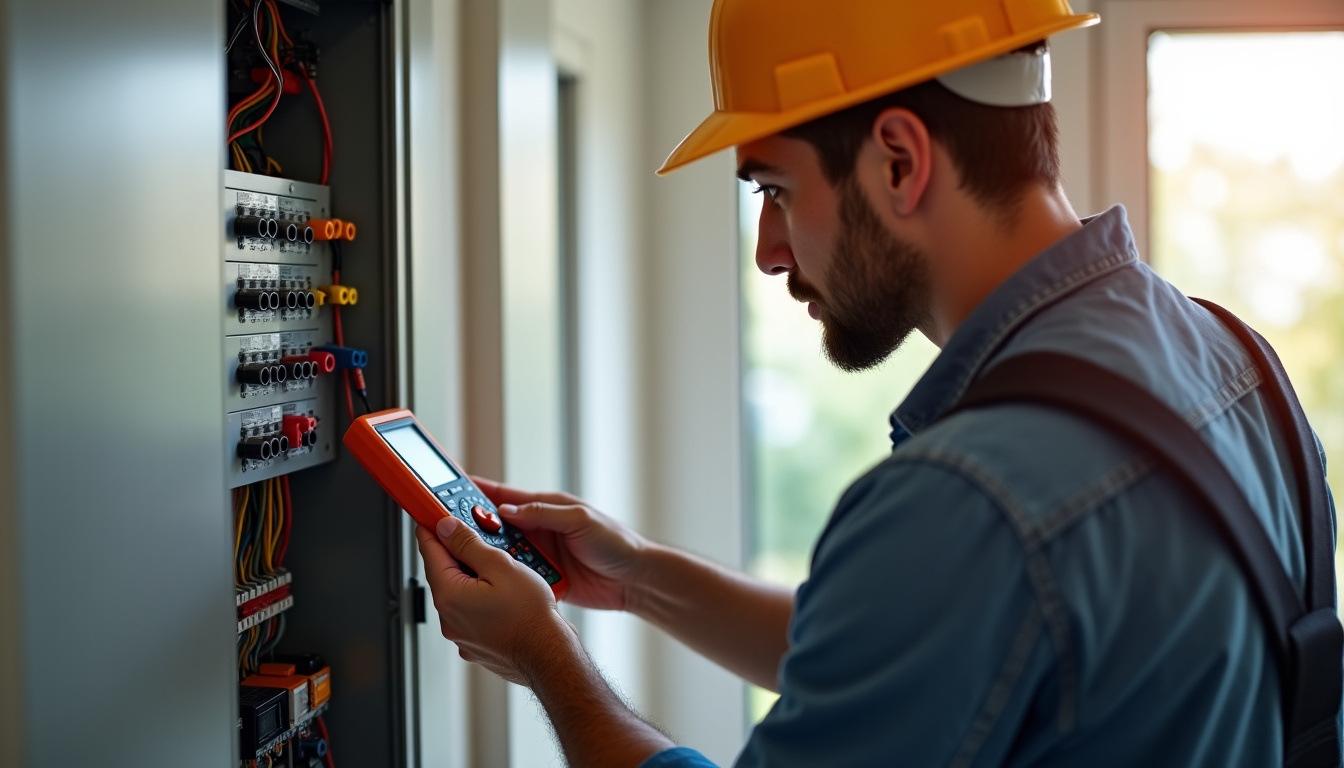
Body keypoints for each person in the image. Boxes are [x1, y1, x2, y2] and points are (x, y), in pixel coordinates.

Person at [414, 1, 1340, 766]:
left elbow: (952, 583)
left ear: (900, 159)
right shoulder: (1236, 361)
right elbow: (918, 649)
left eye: (774, 190)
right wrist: (642, 579)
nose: (770, 252)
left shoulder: (971, 499)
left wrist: (547, 662)